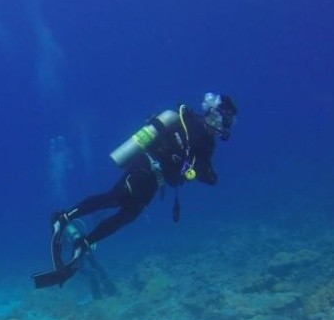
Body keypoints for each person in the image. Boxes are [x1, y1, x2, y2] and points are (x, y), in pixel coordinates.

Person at [33, 92, 238, 288]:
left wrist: (201, 172)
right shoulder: (194, 126)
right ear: (215, 115)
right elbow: (198, 167)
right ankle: (64, 217)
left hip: (155, 179)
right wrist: (198, 170)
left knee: (127, 216)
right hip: (145, 166)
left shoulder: (204, 139)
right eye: (226, 120)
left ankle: (84, 242)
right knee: (115, 198)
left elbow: (205, 172)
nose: (226, 125)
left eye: (229, 122)